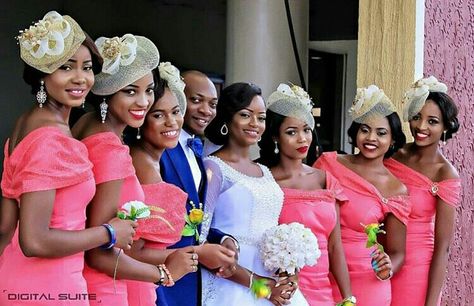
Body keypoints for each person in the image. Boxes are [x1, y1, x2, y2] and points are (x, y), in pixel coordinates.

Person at [0, 11, 136, 305]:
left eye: (87, 68)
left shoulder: (25, 126)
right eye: (65, 67)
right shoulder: (53, 138)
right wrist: (109, 232)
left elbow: (5, 226)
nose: (80, 78)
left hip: (15, 278)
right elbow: (34, 241)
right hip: (49, 287)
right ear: (42, 74)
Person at [72, 34, 195, 306]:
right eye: (130, 91)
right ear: (106, 89)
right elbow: (99, 253)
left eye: (149, 90)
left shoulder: (84, 125)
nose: (143, 101)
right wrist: (164, 273)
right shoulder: (110, 149)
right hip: (109, 286)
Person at [200, 82, 309, 306]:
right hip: (233, 282)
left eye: (261, 117)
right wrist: (262, 287)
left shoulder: (265, 172)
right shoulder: (214, 168)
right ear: (227, 119)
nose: (255, 124)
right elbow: (202, 236)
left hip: (271, 280)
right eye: (245, 115)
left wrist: (288, 268)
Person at [258, 83, 355, 306]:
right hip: (282, 291)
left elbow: (335, 245)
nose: (302, 139)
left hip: (324, 290)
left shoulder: (325, 179)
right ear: (275, 137)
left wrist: (348, 297)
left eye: (306, 130)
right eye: (291, 132)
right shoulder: (265, 181)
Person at [314, 85, 410, 305]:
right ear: (355, 132)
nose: (371, 138)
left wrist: (387, 267)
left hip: (368, 282)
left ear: (393, 139)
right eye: (365, 129)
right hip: (321, 273)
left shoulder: (396, 189)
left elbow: (398, 253)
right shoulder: (328, 164)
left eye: (381, 133)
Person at [158, 70, 237, 306]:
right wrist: (198, 252)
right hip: (165, 275)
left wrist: (223, 240)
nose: (206, 110)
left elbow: (196, 217)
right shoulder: (161, 148)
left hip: (194, 279)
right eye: (196, 100)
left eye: (212, 104)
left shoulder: (195, 149)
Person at [385, 76, 461, 306]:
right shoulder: (393, 155)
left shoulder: (445, 174)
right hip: (377, 259)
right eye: (417, 117)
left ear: (446, 126)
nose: (421, 127)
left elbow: (443, 247)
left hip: (417, 270)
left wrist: (431, 303)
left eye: (433, 121)